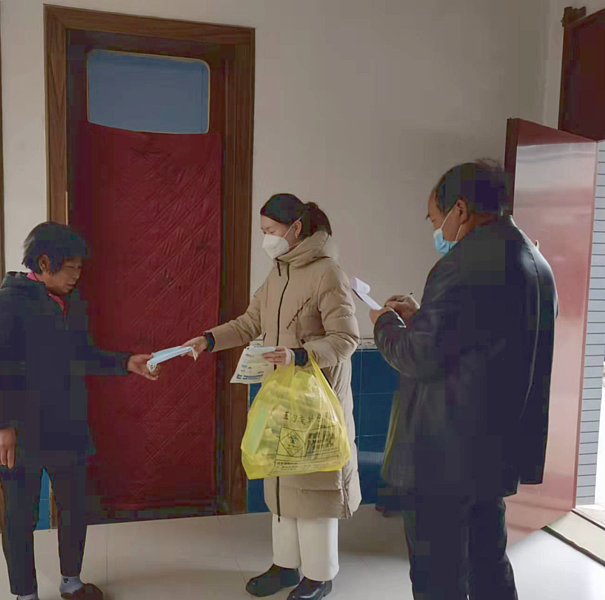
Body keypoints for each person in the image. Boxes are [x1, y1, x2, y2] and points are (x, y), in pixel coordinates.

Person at [370, 161, 557, 600]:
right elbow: (481, 340)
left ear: (460, 209)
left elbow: (417, 356)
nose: (436, 230)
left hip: (443, 456)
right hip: (492, 452)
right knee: (488, 564)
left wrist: (385, 324)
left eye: (434, 218)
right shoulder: (534, 261)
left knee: (438, 578)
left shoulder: (462, 264)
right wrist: (422, 317)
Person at [183, 194, 361, 600]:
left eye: (271, 231)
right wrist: (209, 339)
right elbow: (250, 322)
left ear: (295, 228)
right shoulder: (278, 273)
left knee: (313, 489)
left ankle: (319, 576)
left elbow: (346, 339)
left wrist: (300, 355)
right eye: (263, 231)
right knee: (282, 480)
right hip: (281, 397)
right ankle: (285, 565)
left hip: (316, 400)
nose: (266, 239)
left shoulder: (327, 273)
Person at [0, 222, 159, 600]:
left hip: (67, 424)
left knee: (76, 505)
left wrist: (126, 362)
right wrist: (0, 426)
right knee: (20, 515)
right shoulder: (5, 303)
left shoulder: (70, 303)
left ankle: (71, 581)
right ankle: (25, 594)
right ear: (44, 263)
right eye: (71, 267)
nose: (77, 276)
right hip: (20, 430)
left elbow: (81, 356)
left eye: (79, 268)